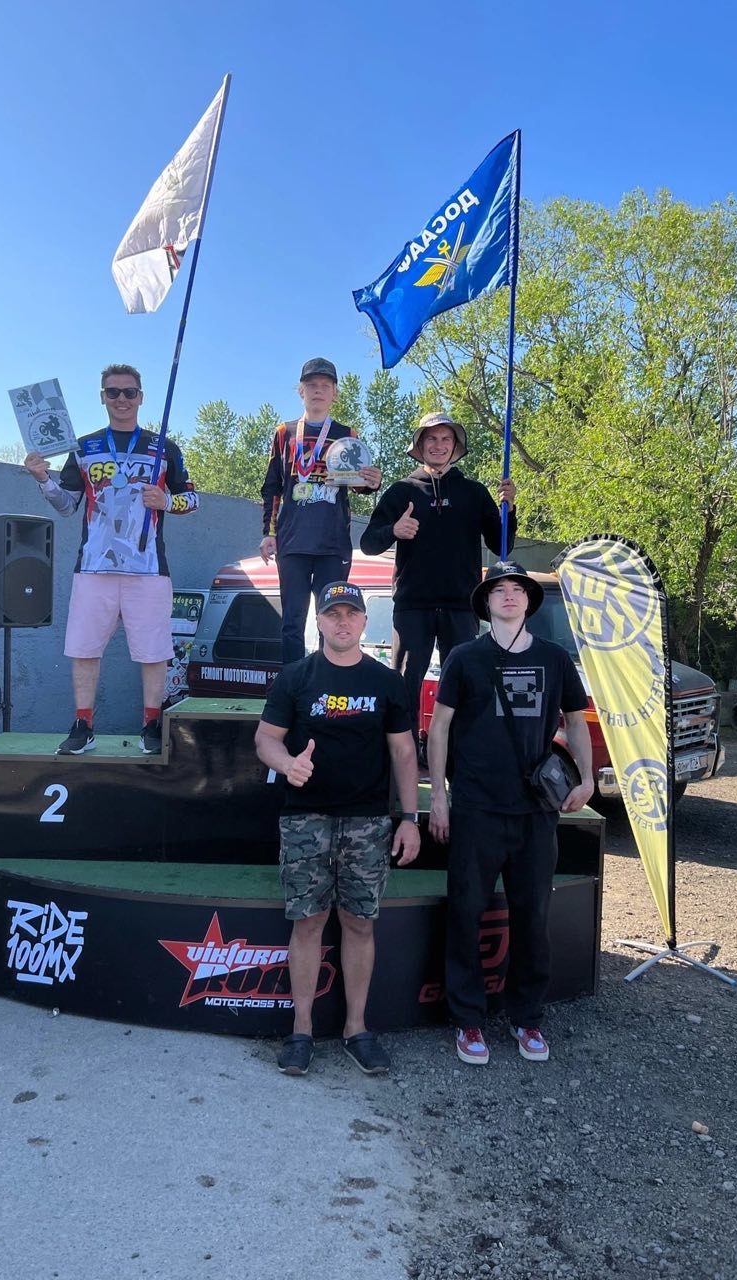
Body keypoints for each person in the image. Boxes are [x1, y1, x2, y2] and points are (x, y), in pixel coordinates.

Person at [426, 562, 594, 1066]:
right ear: (485, 602)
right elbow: (439, 729)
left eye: (517, 589)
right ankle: (468, 1019)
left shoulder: (555, 658)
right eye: (498, 589)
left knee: (532, 916)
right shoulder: (464, 657)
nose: (509, 596)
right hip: (476, 808)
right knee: (465, 913)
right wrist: (439, 797)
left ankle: (527, 1017)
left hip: (536, 812)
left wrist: (587, 778)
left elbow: (576, 721)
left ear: (529, 601)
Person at [254, 580, 420, 1077]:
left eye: (351, 613)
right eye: (333, 614)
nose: (342, 622)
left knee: (359, 923)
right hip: (305, 820)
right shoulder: (295, 677)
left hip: (368, 821)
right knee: (307, 923)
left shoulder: (387, 682)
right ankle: (302, 1031)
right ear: (319, 621)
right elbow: (265, 739)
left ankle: (356, 1029)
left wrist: (410, 819)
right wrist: (287, 764)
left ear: (365, 621)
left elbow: (404, 753)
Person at [24, 363, 198, 755]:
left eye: (129, 392)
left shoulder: (164, 447)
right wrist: (42, 479)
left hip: (148, 568)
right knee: (84, 649)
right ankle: (83, 725)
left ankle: (151, 725)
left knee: (154, 652)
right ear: (102, 396)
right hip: (94, 566)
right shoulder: (84, 447)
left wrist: (167, 501)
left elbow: (192, 499)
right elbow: (67, 504)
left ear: (141, 397)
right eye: (113, 392)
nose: (122, 399)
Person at [359, 411, 516, 751]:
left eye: (446, 439)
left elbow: (502, 545)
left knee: (463, 685)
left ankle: (458, 755)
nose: (439, 445)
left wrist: (509, 508)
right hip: (413, 606)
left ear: (455, 445)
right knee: (405, 684)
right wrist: (394, 530)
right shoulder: (401, 491)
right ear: (419, 445)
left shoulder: (474, 493)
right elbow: (368, 543)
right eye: (431, 438)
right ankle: (404, 754)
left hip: (461, 606)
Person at [260, 358, 381, 664]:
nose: (318, 391)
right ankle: (291, 683)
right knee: (292, 621)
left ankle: (327, 680)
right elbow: (272, 487)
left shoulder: (346, 434)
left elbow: (358, 485)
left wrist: (372, 482)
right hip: (292, 542)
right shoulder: (284, 433)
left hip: (332, 544)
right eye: (311, 385)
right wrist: (268, 533)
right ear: (301, 391)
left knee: (332, 618)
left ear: (334, 394)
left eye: (325, 386)